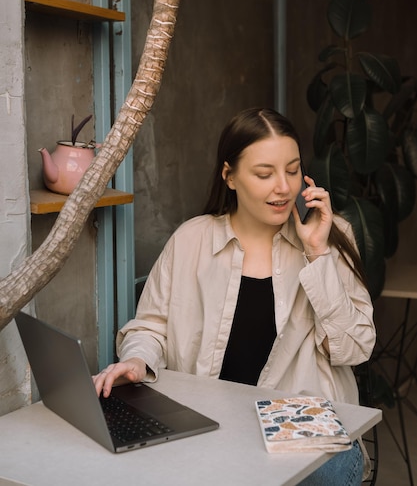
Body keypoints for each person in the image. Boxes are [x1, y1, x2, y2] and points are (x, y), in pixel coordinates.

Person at [93, 107, 376, 485]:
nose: (284, 187)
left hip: (305, 436)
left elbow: (355, 348)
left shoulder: (330, 236)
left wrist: (317, 256)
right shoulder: (191, 240)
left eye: (292, 170)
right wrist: (137, 359)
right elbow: (152, 326)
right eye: (264, 174)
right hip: (214, 428)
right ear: (230, 176)